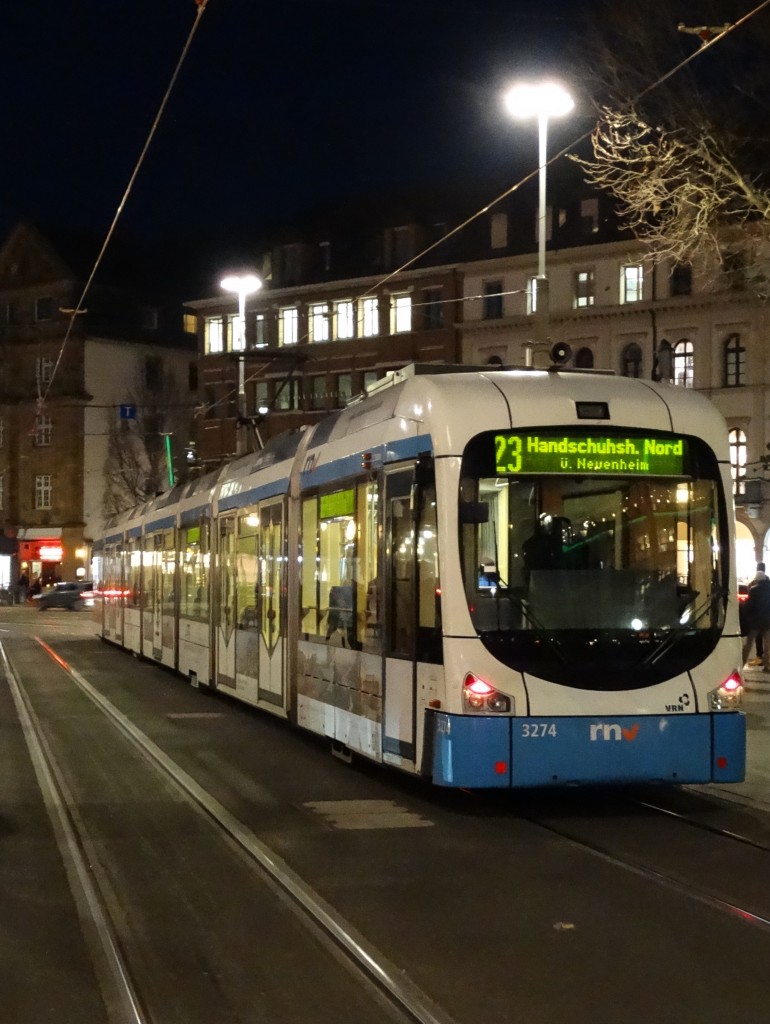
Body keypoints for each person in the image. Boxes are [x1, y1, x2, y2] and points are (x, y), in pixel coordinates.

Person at [742, 563, 770, 671]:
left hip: (756, 622)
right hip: (768, 621)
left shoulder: (754, 590)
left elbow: (749, 606)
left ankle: (742, 662)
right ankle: (767, 666)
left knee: (748, 644)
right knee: (768, 646)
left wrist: (746, 615)